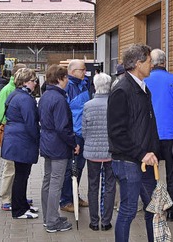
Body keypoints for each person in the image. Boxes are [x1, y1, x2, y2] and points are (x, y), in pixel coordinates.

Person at [107, 44, 159, 242]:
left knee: (153, 209)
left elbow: (147, 125)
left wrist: (153, 151)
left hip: (144, 161)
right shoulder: (122, 90)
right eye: (149, 61)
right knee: (128, 211)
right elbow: (116, 133)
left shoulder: (143, 88)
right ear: (138, 64)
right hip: (128, 161)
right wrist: (141, 153)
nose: (152, 65)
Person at [143, 49, 173, 221]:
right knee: (172, 173)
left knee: (149, 173)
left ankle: (153, 208)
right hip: (170, 133)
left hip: (150, 134)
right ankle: (172, 210)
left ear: (151, 63)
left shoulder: (143, 80)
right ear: (164, 62)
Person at [38, 64, 78, 232]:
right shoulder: (60, 99)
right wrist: (73, 143)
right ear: (60, 79)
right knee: (56, 182)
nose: (68, 80)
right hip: (58, 145)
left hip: (47, 142)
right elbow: (63, 127)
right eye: (66, 77)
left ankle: (48, 217)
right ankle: (53, 221)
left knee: (47, 181)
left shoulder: (45, 95)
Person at [0, 67, 40, 219]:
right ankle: (19, 210)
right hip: (22, 141)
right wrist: (37, 139)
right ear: (24, 82)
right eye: (33, 81)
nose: (35, 84)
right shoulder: (25, 99)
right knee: (21, 176)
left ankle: (22, 205)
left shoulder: (15, 95)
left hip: (14, 140)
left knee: (21, 175)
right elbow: (31, 122)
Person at [83, 72, 116, 232]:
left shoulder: (88, 105)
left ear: (95, 86)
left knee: (93, 186)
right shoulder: (114, 104)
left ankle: (94, 222)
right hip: (110, 152)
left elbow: (84, 131)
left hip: (92, 152)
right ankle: (107, 221)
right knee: (109, 186)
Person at [60, 59, 91, 212]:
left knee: (79, 167)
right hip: (74, 134)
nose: (85, 72)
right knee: (70, 169)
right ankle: (65, 200)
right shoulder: (68, 87)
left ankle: (74, 196)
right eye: (82, 69)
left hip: (84, 132)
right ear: (72, 72)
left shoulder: (84, 85)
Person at [0, 63, 27, 211]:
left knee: (19, 170)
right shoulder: (7, 90)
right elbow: (1, 115)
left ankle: (17, 196)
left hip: (17, 136)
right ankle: (5, 198)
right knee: (10, 168)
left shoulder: (16, 90)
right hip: (12, 136)